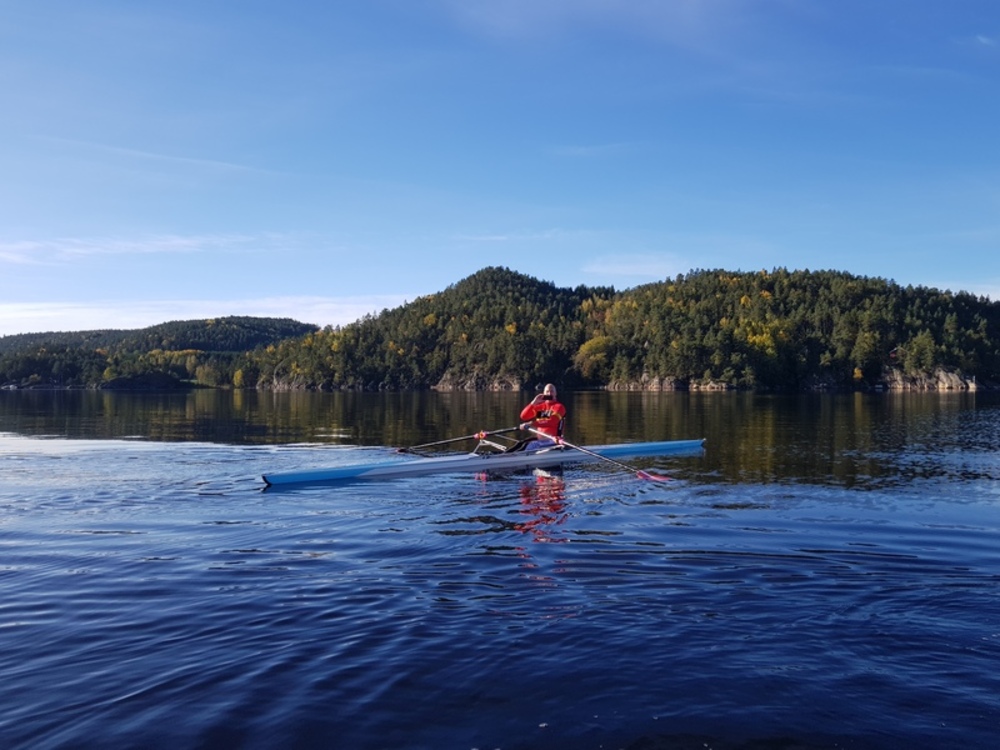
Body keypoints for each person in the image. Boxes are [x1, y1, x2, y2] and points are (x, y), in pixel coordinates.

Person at [509, 383, 567, 452]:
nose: (549, 394)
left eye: (552, 391)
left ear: (555, 393)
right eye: (547, 391)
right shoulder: (540, 407)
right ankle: (504, 456)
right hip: (541, 440)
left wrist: (531, 424)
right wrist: (533, 403)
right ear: (543, 394)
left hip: (554, 440)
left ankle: (516, 459)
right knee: (521, 443)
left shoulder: (559, 407)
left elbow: (551, 421)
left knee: (531, 445)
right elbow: (523, 416)